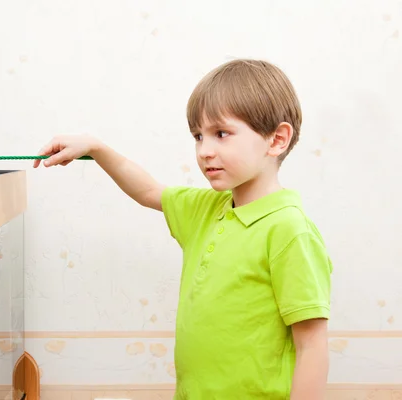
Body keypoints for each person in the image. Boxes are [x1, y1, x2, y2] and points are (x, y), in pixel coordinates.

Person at [33, 59, 332, 399]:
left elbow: (312, 346)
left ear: (276, 140)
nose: (205, 151)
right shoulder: (206, 209)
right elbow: (148, 191)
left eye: (222, 134)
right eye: (198, 136)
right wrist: (96, 148)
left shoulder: (289, 229)